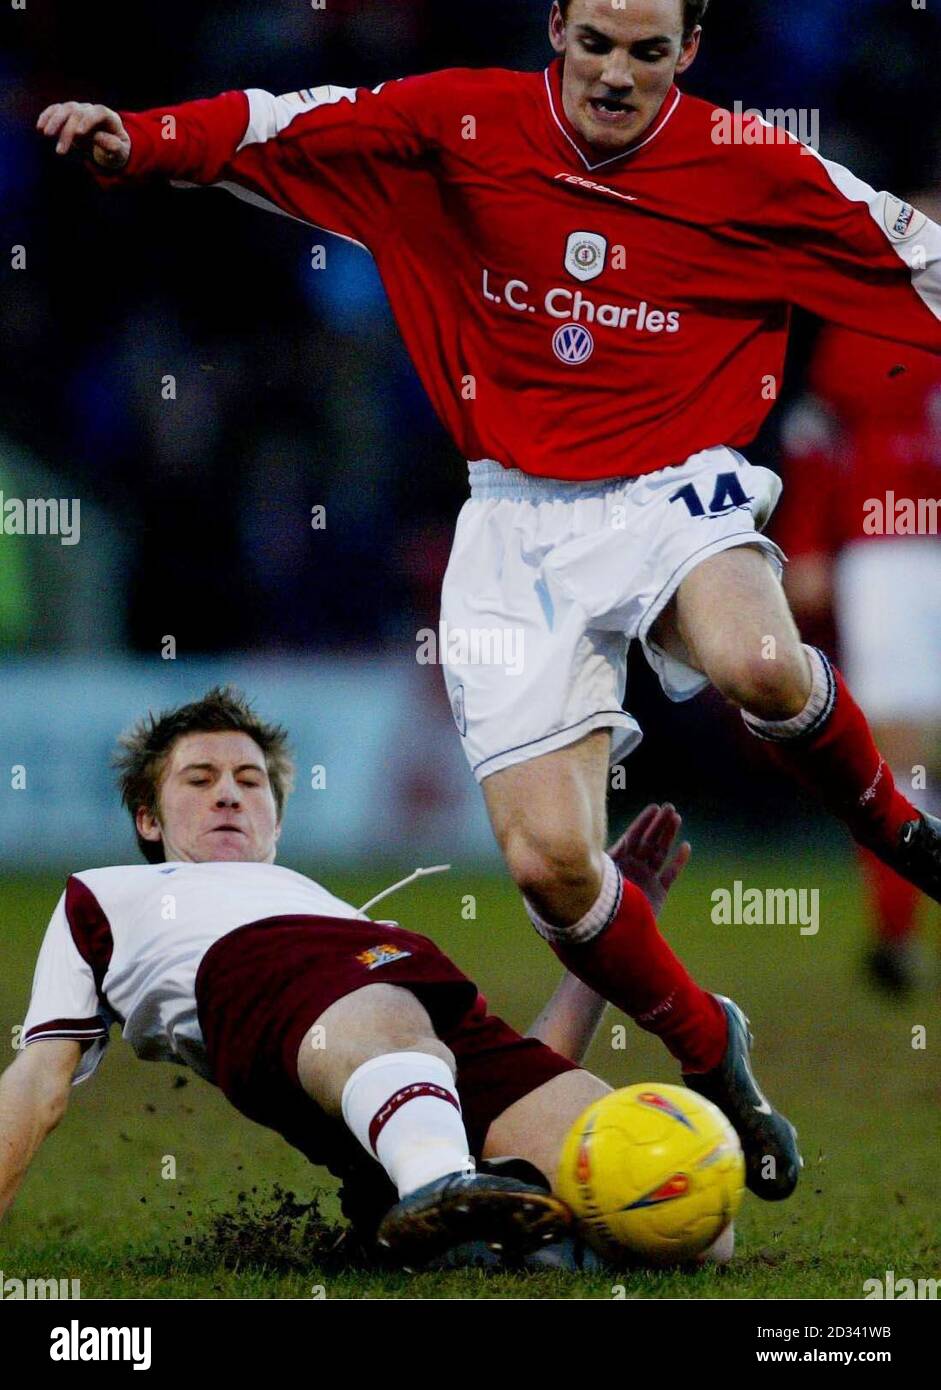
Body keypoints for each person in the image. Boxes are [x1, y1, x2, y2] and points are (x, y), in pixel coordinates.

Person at [36, 0, 938, 1175]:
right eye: (596, 44)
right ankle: (711, 1046)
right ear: (557, 26)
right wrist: (143, 137)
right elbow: (296, 124)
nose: (615, 75)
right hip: (512, 517)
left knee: (761, 661)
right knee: (550, 869)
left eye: (647, 53)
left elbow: (908, 250)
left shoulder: (751, 165)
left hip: (672, 482)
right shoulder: (460, 122)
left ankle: (900, 832)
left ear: (689, 53)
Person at [0, 686, 765, 1267]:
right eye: (198, 779)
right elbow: (38, 1080)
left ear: (277, 816)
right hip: (258, 975)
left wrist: (603, 949)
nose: (228, 792)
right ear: (147, 817)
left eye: (249, 779)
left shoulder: (360, 921)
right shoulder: (104, 896)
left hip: (388, 995)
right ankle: (439, 1190)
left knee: (687, 1219)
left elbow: (501, 1075)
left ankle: (456, 1212)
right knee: (378, 1014)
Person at [775, 317, 941, 995]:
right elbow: (815, 435)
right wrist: (806, 535)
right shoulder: (862, 323)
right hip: (888, 550)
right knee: (904, 750)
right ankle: (894, 936)